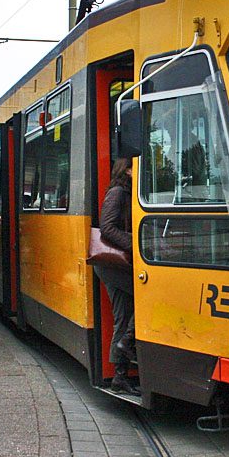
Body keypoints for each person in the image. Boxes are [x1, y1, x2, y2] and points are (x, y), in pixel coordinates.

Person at [94, 158, 139, 396]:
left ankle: (119, 377)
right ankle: (126, 343)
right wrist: (136, 244)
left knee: (122, 317)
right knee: (147, 298)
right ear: (127, 170)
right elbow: (107, 228)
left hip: (118, 265)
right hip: (113, 266)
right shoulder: (117, 192)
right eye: (135, 167)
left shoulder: (130, 192)